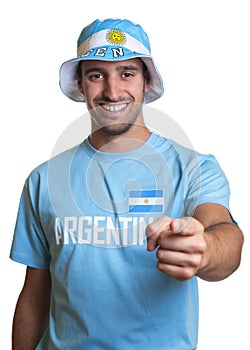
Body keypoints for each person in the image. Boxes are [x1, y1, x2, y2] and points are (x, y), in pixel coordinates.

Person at [10, 18, 244, 350]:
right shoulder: (42, 180)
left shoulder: (195, 168)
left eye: (127, 73)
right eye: (96, 75)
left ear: (146, 81)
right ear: (80, 84)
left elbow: (224, 233)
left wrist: (205, 249)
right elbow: (34, 296)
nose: (113, 91)